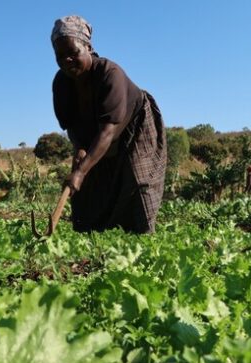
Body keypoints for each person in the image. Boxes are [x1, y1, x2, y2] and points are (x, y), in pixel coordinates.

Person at [50, 15, 167, 233]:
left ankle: (143, 238)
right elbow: (71, 124)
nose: (67, 60)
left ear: (87, 46)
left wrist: (80, 172)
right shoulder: (61, 84)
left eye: (73, 52)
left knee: (137, 180)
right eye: (60, 56)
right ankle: (94, 233)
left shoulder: (109, 74)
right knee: (91, 185)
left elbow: (107, 131)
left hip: (135, 125)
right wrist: (80, 148)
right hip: (95, 133)